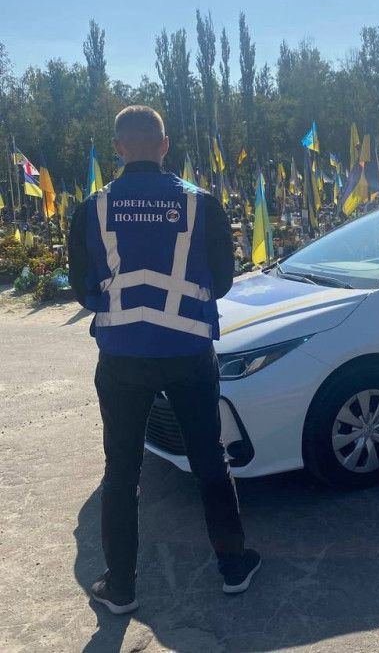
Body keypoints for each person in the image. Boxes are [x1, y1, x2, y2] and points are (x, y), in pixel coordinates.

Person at [68, 106, 260, 615]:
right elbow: (222, 282)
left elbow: (83, 291)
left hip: (122, 357)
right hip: (189, 352)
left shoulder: (92, 209)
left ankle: (121, 588)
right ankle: (234, 567)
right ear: (165, 145)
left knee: (121, 471)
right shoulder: (202, 204)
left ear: (118, 148)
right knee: (209, 460)